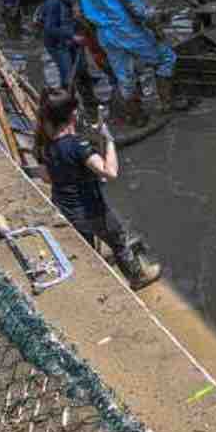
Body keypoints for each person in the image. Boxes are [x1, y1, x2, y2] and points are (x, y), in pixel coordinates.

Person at [34, 89, 161, 290]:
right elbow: (109, 172)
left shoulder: (43, 145)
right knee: (118, 238)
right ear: (73, 114)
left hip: (65, 209)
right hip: (91, 210)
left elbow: (48, 178)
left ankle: (98, 278)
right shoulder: (78, 145)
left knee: (87, 249)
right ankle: (138, 277)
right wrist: (109, 141)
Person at [73, 0, 179, 126]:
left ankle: (137, 116)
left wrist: (93, 26)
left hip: (105, 34)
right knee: (166, 59)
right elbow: (134, 6)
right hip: (129, 30)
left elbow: (77, 12)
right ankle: (166, 104)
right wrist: (153, 19)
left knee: (124, 75)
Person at [42, 0, 86, 89]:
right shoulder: (54, 4)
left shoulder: (73, 0)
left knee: (81, 70)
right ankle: (66, 97)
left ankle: (87, 100)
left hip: (72, 39)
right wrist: (72, 36)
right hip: (57, 44)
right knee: (67, 75)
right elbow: (50, 29)